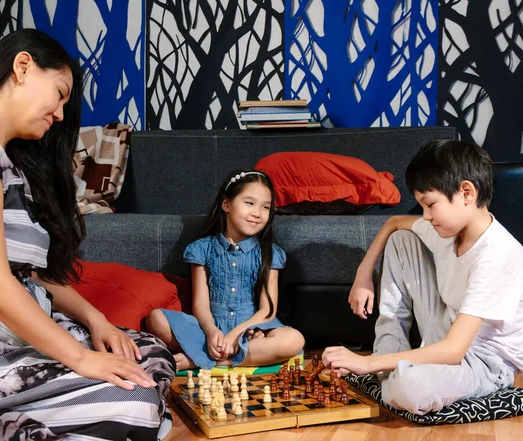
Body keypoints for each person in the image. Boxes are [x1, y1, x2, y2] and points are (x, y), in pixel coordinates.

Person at [0, 29, 175, 440]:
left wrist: (98, 321)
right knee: (137, 401)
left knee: (147, 354)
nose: (60, 113)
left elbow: (28, 277)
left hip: (4, 334)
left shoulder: (4, 161)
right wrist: (80, 359)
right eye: (59, 93)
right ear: (22, 68)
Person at [321, 139, 523, 415]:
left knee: (410, 387)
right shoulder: (449, 229)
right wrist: (363, 274)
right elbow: (394, 223)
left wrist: (366, 364)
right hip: (449, 330)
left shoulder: (496, 256)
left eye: (430, 204)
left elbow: (453, 351)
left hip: (486, 362)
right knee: (402, 239)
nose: (426, 216)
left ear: (466, 193)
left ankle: (391, 369)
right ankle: (391, 358)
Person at [146, 168, 305, 371]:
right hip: (208, 329)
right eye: (249, 203)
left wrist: (238, 333)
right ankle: (221, 353)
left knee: (293, 339)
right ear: (226, 204)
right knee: (156, 319)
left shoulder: (270, 253)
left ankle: (207, 360)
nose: (257, 213)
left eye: (266, 207)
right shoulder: (201, 249)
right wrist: (211, 331)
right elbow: (200, 304)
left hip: (250, 329)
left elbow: (268, 310)